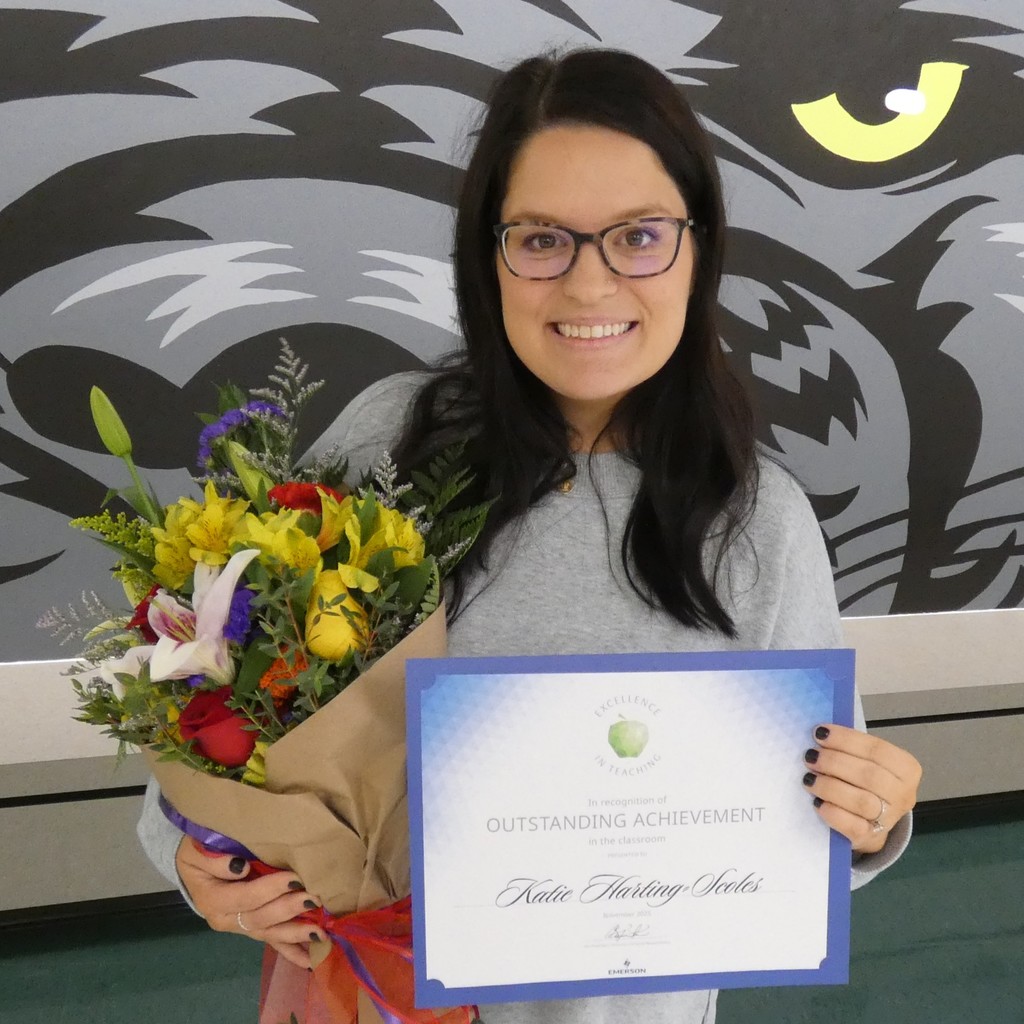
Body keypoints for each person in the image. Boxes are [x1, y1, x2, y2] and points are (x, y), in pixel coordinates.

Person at [139, 48, 922, 1023]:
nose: (589, 286)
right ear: (489, 254)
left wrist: (865, 819)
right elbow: (221, 712)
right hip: (370, 1002)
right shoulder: (386, 446)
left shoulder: (756, 523)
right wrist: (192, 855)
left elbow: (793, 841)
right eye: (544, 239)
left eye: (638, 236)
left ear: (697, 246)